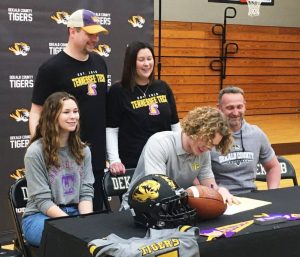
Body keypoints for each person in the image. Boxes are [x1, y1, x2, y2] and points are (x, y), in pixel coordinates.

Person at [29, 9, 108, 211]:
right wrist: (44, 149)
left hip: (93, 156)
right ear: (72, 31)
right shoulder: (51, 69)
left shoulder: (100, 62)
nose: (95, 38)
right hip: (63, 160)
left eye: (97, 34)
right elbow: (37, 112)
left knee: (93, 221)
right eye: (90, 34)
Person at [121, 106, 239, 210]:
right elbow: (158, 191)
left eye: (213, 144)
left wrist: (219, 192)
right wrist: (192, 192)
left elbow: (210, 187)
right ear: (196, 129)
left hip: (173, 208)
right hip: (137, 207)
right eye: (207, 140)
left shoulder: (203, 151)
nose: (208, 147)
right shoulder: (159, 143)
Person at [22, 92, 94, 246]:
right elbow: (42, 201)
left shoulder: (84, 150)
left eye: (75, 111)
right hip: (39, 217)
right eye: (66, 112)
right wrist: (71, 225)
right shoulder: (35, 152)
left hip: (75, 213)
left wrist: (87, 223)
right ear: (52, 116)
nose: (73, 116)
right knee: (68, 240)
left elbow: (86, 193)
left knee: (94, 237)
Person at [106, 41, 181, 175]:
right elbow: (112, 130)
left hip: (164, 160)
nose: (147, 64)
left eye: (149, 59)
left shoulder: (163, 87)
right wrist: (114, 160)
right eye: (141, 60)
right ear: (131, 63)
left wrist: (179, 154)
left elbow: (175, 125)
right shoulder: (118, 91)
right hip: (133, 163)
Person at [210, 86, 281, 194]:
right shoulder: (209, 137)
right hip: (220, 199)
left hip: (252, 196)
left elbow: (273, 166)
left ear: (245, 106)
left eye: (239, 107)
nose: (235, 112)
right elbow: (197, 175)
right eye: (230, 108)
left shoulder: (256, 134)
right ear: (219, 108)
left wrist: (272, 193)